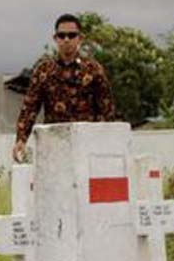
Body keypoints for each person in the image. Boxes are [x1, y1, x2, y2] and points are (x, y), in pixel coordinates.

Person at [12, 14, 117, 162]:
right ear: (55, 38)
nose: (66, 39)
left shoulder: (93, 69)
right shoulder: (44, 70)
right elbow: (30, 106)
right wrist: (21, 139)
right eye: (62, 35)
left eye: (71, 35)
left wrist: (105, 144)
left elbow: (107, 109)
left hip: (86, 145)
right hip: (54, 143)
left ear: (80, 38)